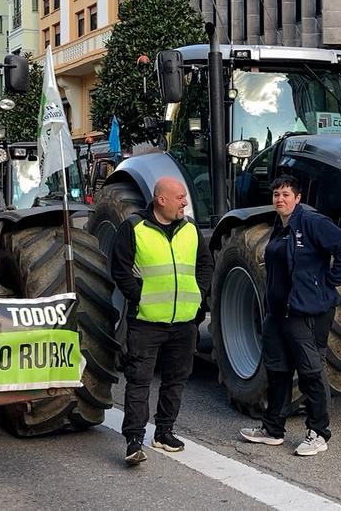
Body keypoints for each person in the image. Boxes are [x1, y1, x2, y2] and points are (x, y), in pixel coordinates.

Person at [239, 174, 341, 457]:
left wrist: (330, 281)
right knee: (278, 370)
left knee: (310, 372)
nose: (280, 199)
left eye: (286, 195)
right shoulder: (279, 228)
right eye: (276, 194)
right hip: (279, 313)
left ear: (298, 198)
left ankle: (318, 432)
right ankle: (273, 429)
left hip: (305, 312)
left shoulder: (312, 223)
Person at [109, 176, 212, 465]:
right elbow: (120, 269)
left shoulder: (190, 229)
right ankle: (133, 440)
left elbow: (205, 265)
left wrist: (198, 294)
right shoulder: (133, 228)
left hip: (183, 322)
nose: (185, 202)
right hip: (146, 322)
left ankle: (164, 432)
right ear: (161, 199)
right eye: (179, 197)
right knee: (139, 382)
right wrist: (139, 295)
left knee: (175, 380)